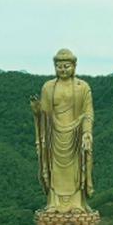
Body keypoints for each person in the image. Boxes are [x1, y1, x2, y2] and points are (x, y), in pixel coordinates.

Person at [30, 48, 94, 212]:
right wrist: (37, 111)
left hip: (76, 133)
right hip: (53, 134)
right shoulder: (48, 87)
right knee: (53, 168)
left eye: (66, 66)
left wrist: (87, 132)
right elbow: (44, 114)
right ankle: (53, 203)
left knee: (76, 170)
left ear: (74, 66)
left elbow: (88, 113)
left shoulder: (83, 87)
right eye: (59, 66)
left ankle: (77, 203)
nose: (63, 69)